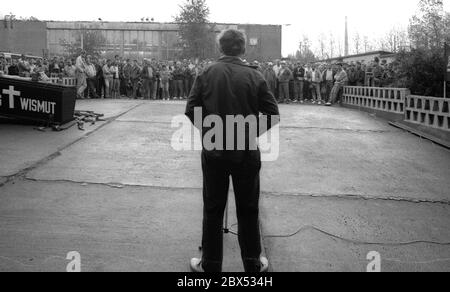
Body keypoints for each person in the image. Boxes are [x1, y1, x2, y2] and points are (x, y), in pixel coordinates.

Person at [186, 29, 279, 273]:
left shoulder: (207, 72)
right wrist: (246, 133)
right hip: (245, 152)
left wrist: (210, 133)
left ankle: (211, 264)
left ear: (221, 47)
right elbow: (272, 114)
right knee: (248, 208)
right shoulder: (254, 76)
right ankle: (252, 263)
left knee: (213, 208)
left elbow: (191, 108)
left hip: (215, 150)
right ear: (243, 48)